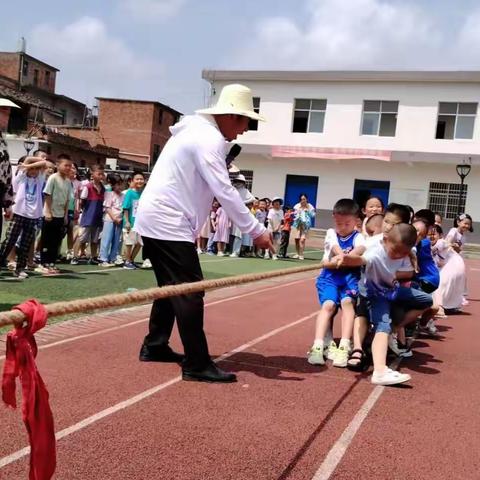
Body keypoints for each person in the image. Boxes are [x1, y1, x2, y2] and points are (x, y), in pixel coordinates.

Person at [134, 83, 272, 383]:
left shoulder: (197, 134)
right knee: (190, 292)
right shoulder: (207, 138)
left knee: (171, 288)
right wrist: (256, 230)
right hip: (167, 220)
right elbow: (223, 190)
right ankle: (196, 362)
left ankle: (155, 345)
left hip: (158, 218)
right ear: (232, 116)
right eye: (247, 121)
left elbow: (226, 186)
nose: (246, 130)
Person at [339, 223, 421, 385]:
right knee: (382, 325)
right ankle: (380, 371)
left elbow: (408, 271)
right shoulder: (376, 252)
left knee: (383, 326)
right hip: (371, 294)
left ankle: (380, 369)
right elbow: (362, 259)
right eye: (395, 251)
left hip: (385, 294)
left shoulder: (405, 254)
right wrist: (348, 259)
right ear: (385, 240)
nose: (397, 255)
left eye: (403, 253)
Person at [308, 199, 366, 367]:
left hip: (350, 278)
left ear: (356, 221)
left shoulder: (358, 237)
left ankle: (344, 345)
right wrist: (341, 254)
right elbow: (333, 246)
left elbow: (360, 249)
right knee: (328, 305)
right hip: (330, 277)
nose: (342, 227)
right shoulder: (331, 232)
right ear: (334, 218)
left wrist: (347, 257)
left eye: (347, 224)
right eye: (339, 223)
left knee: (348, 303)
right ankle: (318, 345)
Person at [0, 156, 46, 279]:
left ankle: (20, 268)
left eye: (36, 168)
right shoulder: (21, 177)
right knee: (10, 240)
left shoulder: (40, 179)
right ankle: (2, 261)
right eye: (32, 168)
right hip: (19, 213)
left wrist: (30, 165)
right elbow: (27, 163)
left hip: (33, 215)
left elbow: (44, 162)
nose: (34, 171)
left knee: (26, 243)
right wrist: (26, 166)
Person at [38, 154, 73, 274]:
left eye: (70, 166)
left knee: (56, 240)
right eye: (66, 165)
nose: (68, 168)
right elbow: (47, 194)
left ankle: (52, 262)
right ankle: (44, 262)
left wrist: (65, 215)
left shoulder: (68, 181)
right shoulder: (53, 178)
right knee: (46, 239)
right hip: (50, 214)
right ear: (58, 165)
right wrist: (47, 211)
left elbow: (68, 200)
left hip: (60, 215)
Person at [430, 225, 466, 314]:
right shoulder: (432, 243)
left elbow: (440, 246)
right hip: (452, 264)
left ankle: (440, 307)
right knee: (449, 285)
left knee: (442, 283)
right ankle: (449, 306)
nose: (431, 236)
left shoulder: (441, 242)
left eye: (433, 234)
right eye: (428, 234)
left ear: (440, 235)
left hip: (453, 264)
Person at [76, 164, 105, 265]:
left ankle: (93, 256)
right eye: (99, 174)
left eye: (102, 174)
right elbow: (82, 201)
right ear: (92, 174)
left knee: (95, 240)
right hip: (88, 217)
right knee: (82, 238)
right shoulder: (87, 187)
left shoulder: (103, 188)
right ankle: (76, 256)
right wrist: (83, 211)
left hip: (98, 218)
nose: (101, 176)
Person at [99, 175, 124, 267]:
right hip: (110, 219)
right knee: (107, 238)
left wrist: (120, 219)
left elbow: (123, 208)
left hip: (120, 220)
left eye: (121, 184)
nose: (120, 187)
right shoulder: (109, 194)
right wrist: (114, 218)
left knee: (116, 240)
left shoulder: (123, 195)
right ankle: (103, 259)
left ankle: (112, 258)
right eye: (118, 185)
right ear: (113, 185)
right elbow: (107, 208)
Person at [123, 172, 145, 269]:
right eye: (137, 179)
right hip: (131, 222)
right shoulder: (129, 193)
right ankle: (127, 261)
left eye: (141, 179)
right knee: (129, 242)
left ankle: (131, 259)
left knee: (140, 243)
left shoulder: (144, 193)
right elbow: (125, 208)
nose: (139, 181)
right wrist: (127, 221)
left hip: (140, 223)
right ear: (132, 181)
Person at [292, 194, 315, 260]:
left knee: (302, 240)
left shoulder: (310, 206)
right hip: (297, 224)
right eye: (301, 199)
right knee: (296, 239)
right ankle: (297, 253)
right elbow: (294, 214)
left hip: (305, 225)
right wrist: (297, 213)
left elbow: (313, 215)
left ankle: (301, 254)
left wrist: (308, 211)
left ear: (306, 199)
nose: (303, 200)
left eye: (304, 199)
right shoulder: (297, 206)